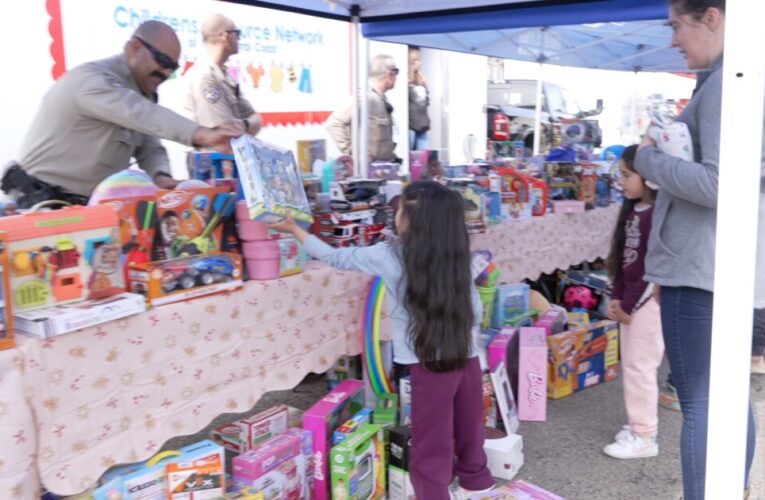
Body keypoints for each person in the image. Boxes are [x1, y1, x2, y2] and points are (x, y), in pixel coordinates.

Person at [271, 181, 494, 500]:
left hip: (428, 361)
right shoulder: (457, 253)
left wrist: (295, 230)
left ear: (411, 220)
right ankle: (477, 480)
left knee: (432, 439)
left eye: (399, 209)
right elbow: (476, 307)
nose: (395, 215)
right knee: (470, 423)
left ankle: (435, 493)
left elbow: (336, 258)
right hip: (467, 355)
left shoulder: (388, 256)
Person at [635, 1, 760, 497]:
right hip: (716, 264)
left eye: (676, 26)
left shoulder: (730, 83)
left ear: (711, 17)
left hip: (701, 267)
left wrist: (646, 159)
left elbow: (719, 184)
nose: (672, 40)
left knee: (704, 403)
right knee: (728, 401)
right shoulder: (739, 77)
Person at [1, 21, 242, 208]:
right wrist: (203, 134)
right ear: (135, 48)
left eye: (173, 67)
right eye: (161, 61)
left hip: (88, 209)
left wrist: (160, 176)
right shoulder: (92, 81)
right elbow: (142, 114)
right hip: (41, 204)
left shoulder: (141, 92)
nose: (166, 72)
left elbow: (148, 143)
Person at [602, 145, 664, 460]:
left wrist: (626, 305)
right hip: (631, 304)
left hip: (646, 305)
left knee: (640, 367)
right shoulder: (633, 212)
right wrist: (615, 297)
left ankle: (645, 436)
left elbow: (649, 270)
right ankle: (639, 426)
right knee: (633, 365)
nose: (621, 181)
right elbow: (624, 263)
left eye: (627, 175)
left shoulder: (657, 214)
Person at [182, 14, 262, 136]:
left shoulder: (225, 76)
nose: (239, 39)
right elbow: (226, 134)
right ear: (226, 36)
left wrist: (244, 124)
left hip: (229, 154)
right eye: (237, 33)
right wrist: (246, 125)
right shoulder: (206, 77)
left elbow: (257, 119)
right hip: (215, 155)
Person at [325, 54, 399, 162]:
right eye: (396, 73)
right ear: (390, 74)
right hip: (371, 171)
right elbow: (334, 123)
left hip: (383, 167)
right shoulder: (366, 97)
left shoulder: (380, 99)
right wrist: (353, 153)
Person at [408, 46, 430, 150]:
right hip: (411, 126)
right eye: (417, 60)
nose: (419, 63)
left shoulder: (421, 80)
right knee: (410, 156)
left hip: (422, 125)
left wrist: (425, 85)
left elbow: (427, 102)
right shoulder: (406, 81)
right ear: (411, 62)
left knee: (422, 158)